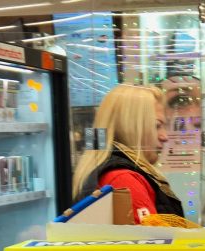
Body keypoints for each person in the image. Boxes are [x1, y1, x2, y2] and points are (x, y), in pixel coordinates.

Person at [72, 84, 184, 223]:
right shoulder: (123, 179)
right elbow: (153, 240)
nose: (165, 136)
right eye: (156, 125)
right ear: (131, 128)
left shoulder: (107, 169)